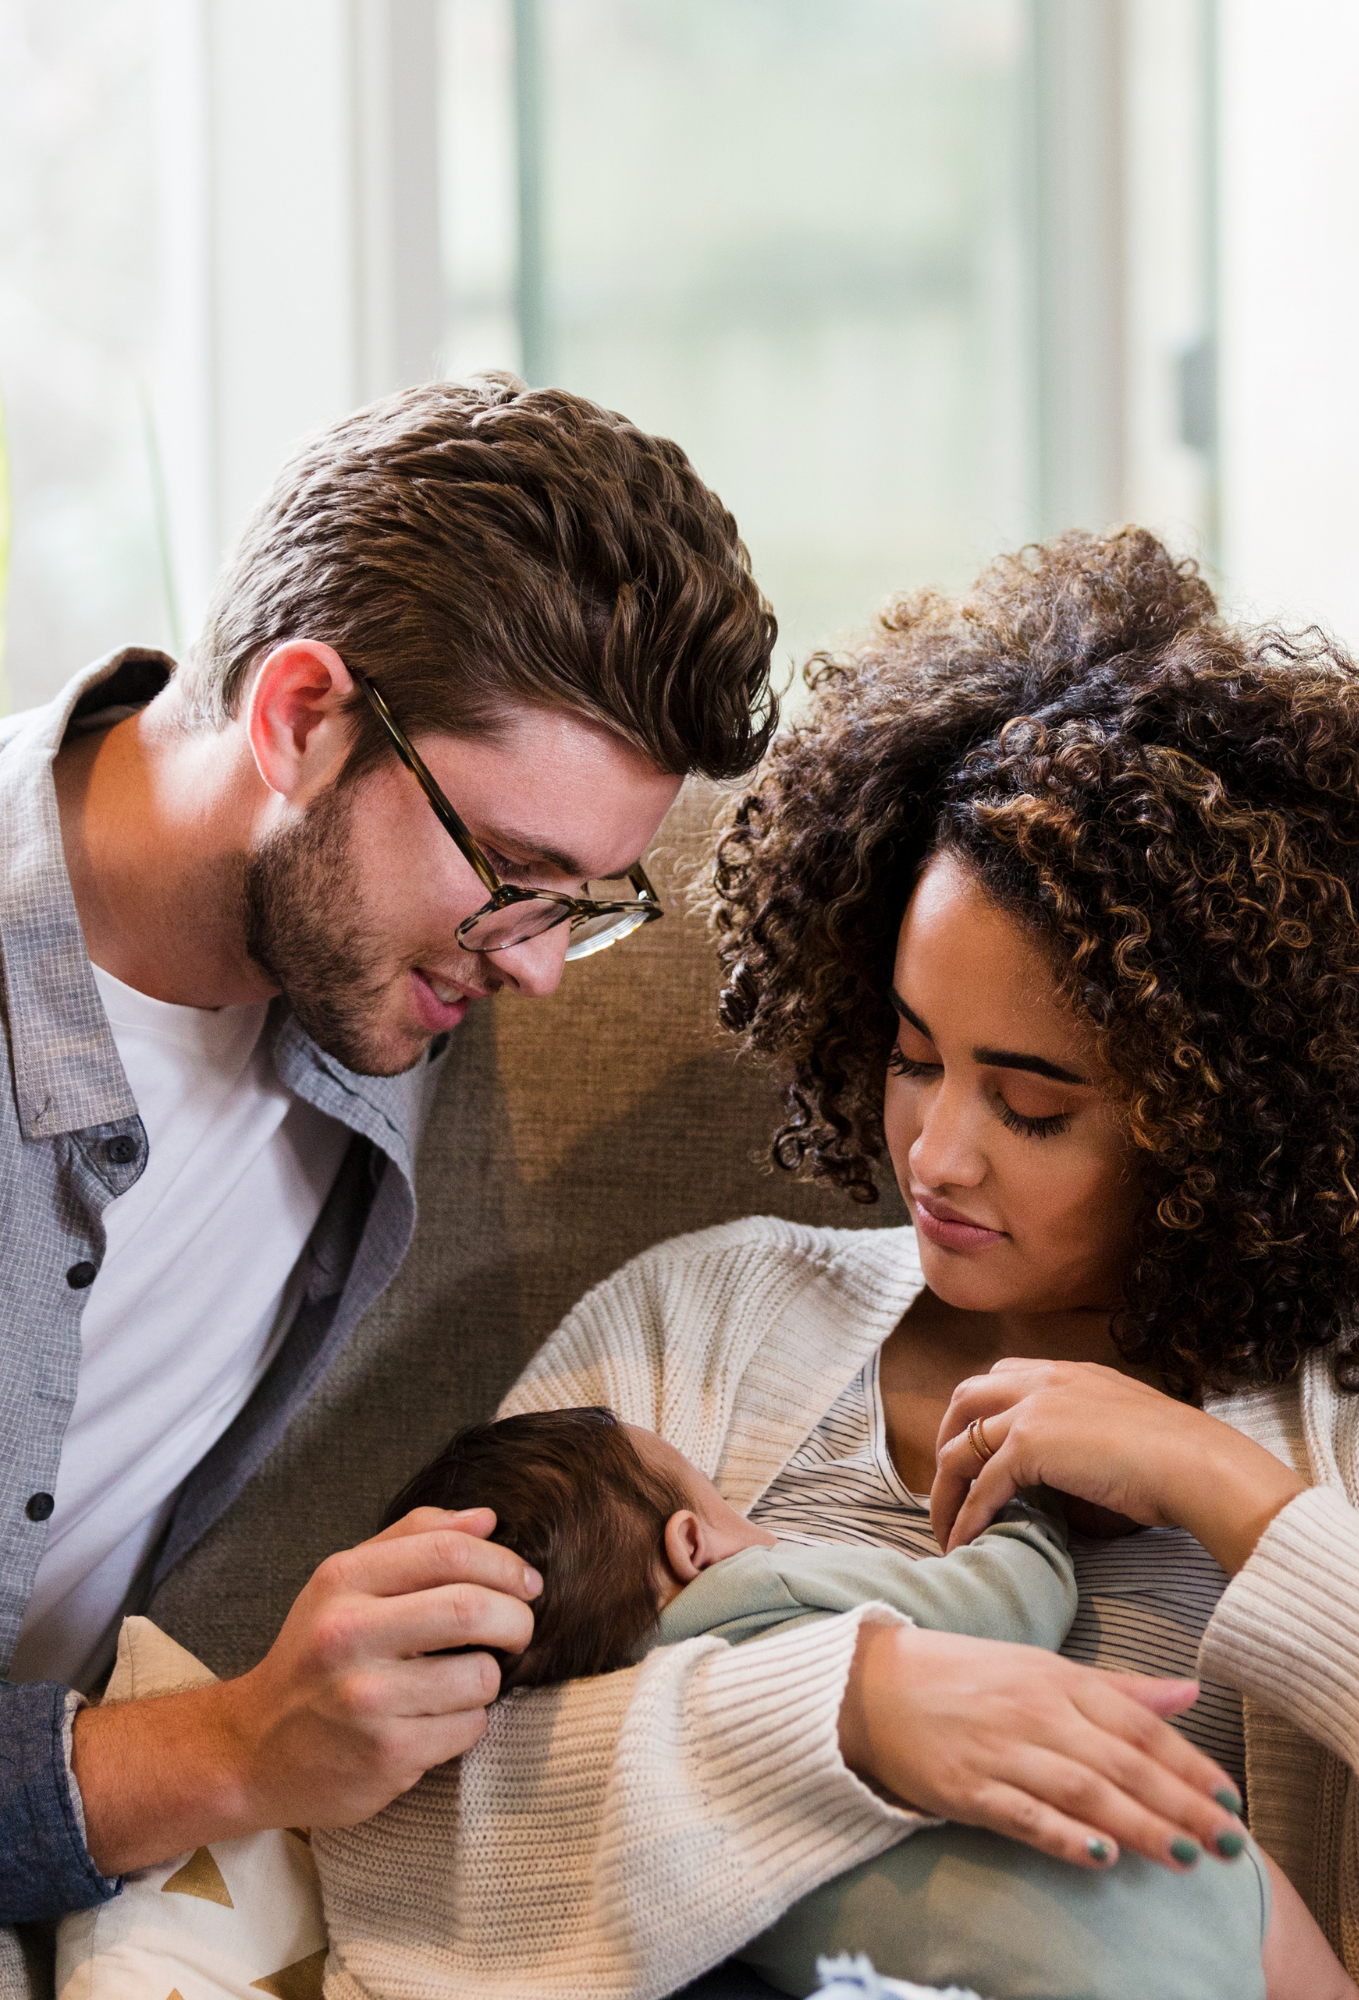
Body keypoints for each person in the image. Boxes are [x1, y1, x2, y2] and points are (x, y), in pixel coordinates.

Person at [312, 529, 1359, 2000]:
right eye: (911, 1058)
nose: (939, 1157)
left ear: (1224, 1116)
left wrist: (1235, 1500)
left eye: (1031, 1105)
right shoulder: (700, 1319)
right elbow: (389, 1812)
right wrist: (851, 1712)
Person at [0, 373, 777, 1926]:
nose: (541, 968)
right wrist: (229, 1746)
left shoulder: (383, 977)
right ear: (298, 716)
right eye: (515, 872)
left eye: (591, 901)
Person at [379, 1404, 1359, 2000]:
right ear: (692, 1544)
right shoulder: (776, 1590)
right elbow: (1007, 1606)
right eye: (722, 1498)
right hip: (1168, 1868)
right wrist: (1024, 1509)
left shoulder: (609, 1790)